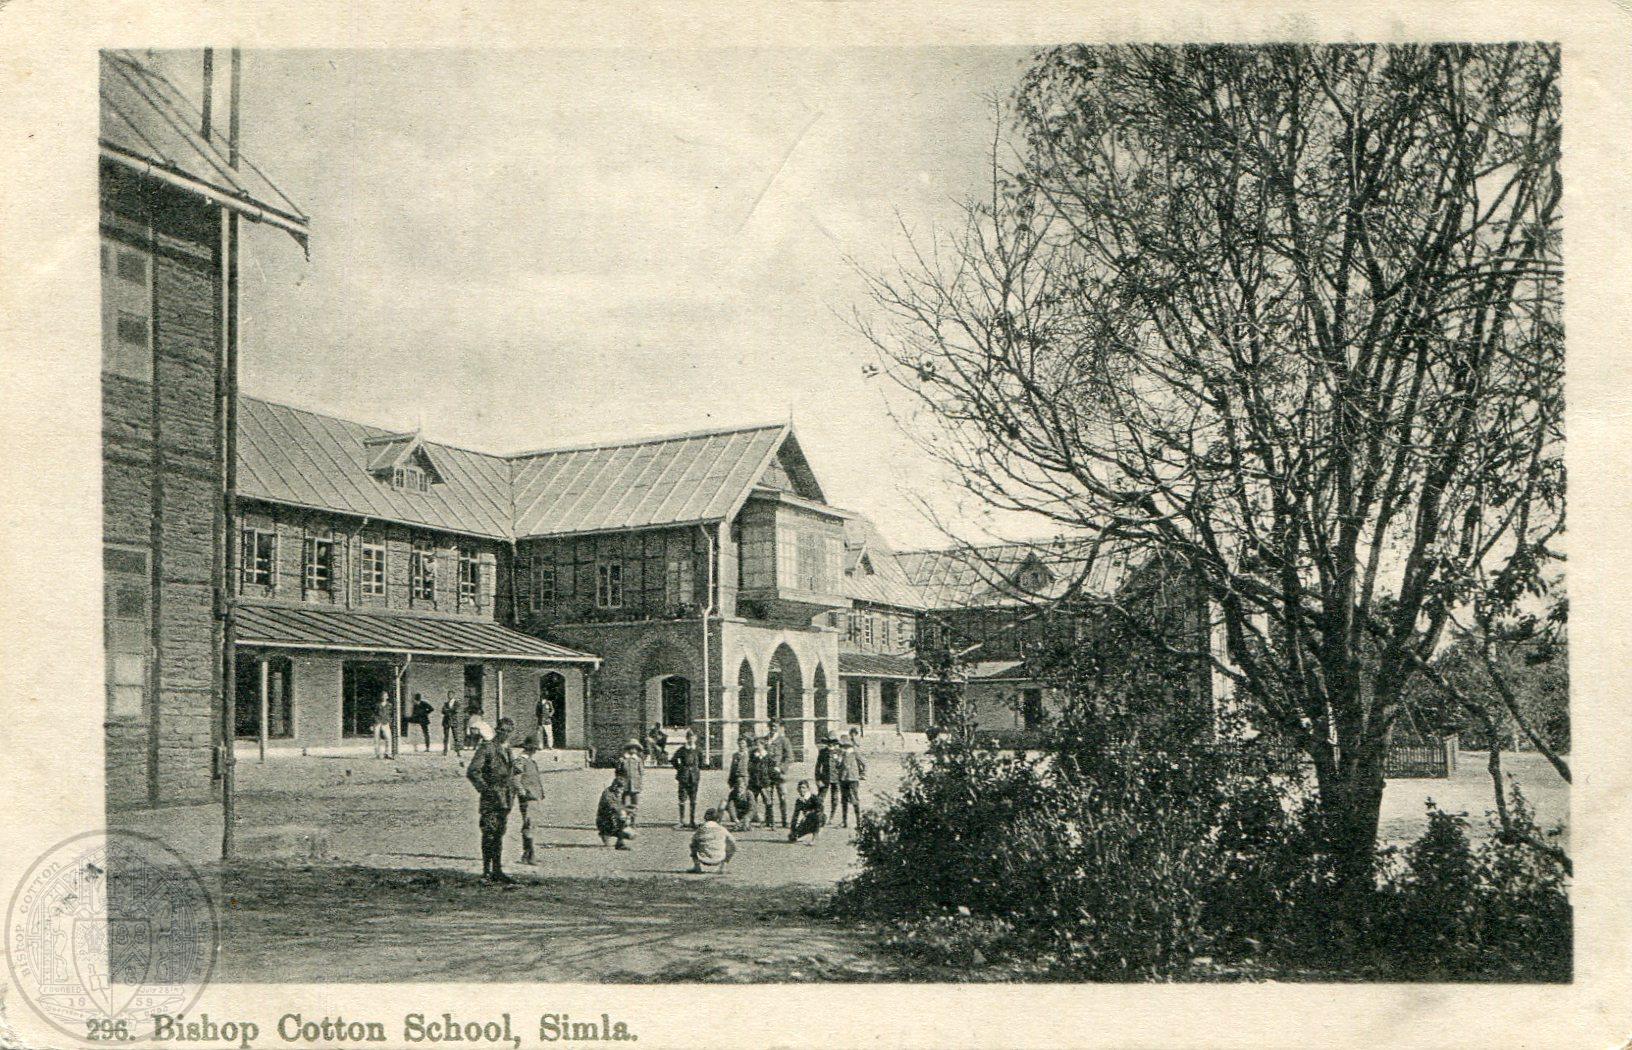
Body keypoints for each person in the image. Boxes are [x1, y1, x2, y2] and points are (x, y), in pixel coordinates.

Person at [466, 716, 517, 882]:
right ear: (497, 730)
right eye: (502, 730)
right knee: (489, 833)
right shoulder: (487, 748)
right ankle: (487, 871)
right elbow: (473, 771)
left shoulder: (508, 750)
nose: (505, 734)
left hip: (505, 798)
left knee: (499, 833)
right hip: (491, 797)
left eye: (508, 731)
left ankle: (497, 869)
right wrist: (485, 790)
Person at [511, 732, 545, 864]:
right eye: (534, 749)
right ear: (530, 748)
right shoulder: (521, 761)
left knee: (531, 824)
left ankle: (527, 854)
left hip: (534, 796)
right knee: (529, 824)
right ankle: (530, 855)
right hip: (528, 798)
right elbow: (516, 779)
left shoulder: (530, 761)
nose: (535, 751)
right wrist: (522, 793)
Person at [763, 720, 794, 827]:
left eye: (775, 726)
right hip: (767, 773)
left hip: (779, 774)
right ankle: (769, 821)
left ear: (779, 727)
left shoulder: (784, 740)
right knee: (767, 797)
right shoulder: (764, 740)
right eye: (771, 726)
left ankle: (784, 820)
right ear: (768, 727)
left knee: (782, 797)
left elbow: (790, 758)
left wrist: (780, 768)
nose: (773, 728)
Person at [670, 729, 702, 828]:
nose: (691, 739)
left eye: (693, 737)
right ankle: (682, 821)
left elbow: (701, 761)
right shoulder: (682, 750)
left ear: (695, 738)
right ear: (687, 738)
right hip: (683, 777)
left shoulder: (698, 750)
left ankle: (692, 821)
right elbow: (673, 760)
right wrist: (680, 768)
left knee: (693, 799)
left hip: (694, 777)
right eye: (689, 737)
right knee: (682, 798)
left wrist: (696, 770)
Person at [689, 809, 737, 874]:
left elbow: (694, 839)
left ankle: (697, 866)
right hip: (719, 858)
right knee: (731, 845)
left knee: (693, 844)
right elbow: (732, 840)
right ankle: (723, 866)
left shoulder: (701, 828)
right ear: (718, 819)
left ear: (705, 818)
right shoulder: (721, 829)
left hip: (702, 858)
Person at [597, 775, 633, 849]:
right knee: (621, 819)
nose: (622, 791)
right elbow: (611, 806)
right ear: (616, 786)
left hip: (614, 817)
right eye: (621, 788)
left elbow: (620, 806)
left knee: (625, 820)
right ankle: (605, 833)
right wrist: (622, 813)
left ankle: (620, 842)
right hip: (605, 820)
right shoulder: (607, 793)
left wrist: (628, 813)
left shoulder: (618, 794)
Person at [837, 737, 866, 828]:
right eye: (842, 746)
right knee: (844, 800)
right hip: (843, 779)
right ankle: (844, 821)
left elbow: (864, 763)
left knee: (854, 800)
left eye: (844, 746)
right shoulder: (841, 755)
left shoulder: (854, 753)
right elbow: (837, 767)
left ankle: (858, 822)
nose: (842, 748)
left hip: (853, 779)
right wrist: (839, 760)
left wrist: (862, 774)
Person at [787, 780, 825, 845]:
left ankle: (815, 837)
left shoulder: (814, 797)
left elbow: (821, 809)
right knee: (792, 837)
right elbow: (795, 816)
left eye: (803, 787)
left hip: (818, 819)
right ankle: (804, 833)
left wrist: (810, 812)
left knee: (818, 816)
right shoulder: (799, 801)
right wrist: (792, 830)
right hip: (807, 821)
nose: (801, 790)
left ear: (808, 789)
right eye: (799, 788)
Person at [747, 738, 774, 829]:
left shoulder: (768, 756)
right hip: (754, 782)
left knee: (768, 801)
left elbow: (771, 769)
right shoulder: (753, 755)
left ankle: (770, 822)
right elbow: (749, 767)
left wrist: (770, 781)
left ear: (763, 745)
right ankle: (749, 821)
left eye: (759, 744)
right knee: (752, 801)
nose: (757, 746)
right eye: (756, 744)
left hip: (764, 782)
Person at [617, 740, 644, 826]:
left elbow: (641, 772)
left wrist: (638, 783)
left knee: (634, 804)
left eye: (635, 748)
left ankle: (633, 821)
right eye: (631, 748)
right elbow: (618, 772)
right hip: (624, 785)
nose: (633, 750)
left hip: (635, 785)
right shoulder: (622, 760)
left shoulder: (638, 760)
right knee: (623, 803)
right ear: (628, 749)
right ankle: (623, 821)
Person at [814, 736, 841, 819]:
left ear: (835, 743)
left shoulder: (839, 752)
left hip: (836, 778)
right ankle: (820, 816)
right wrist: (818, 779)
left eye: (832, 742)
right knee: (820, 799)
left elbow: (842, 766)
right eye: (829, 742)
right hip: (824, 778)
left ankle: (831, 817)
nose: (830, 744)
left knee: (835, 799)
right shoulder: (822, 752)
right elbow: (818, 767)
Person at [372, 691, 393, 760]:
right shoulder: (377, 705)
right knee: (376, 738)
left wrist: (389, 721)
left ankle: (387, 753)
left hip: (385, 722)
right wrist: (374, 722)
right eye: (382, 696)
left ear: (387, 697)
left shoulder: (389, 705)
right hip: (377, 722)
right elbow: (374, 713)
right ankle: (377, 754)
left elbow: (391, 714)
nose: (384, 697)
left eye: (385, 696)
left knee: (388, 738)